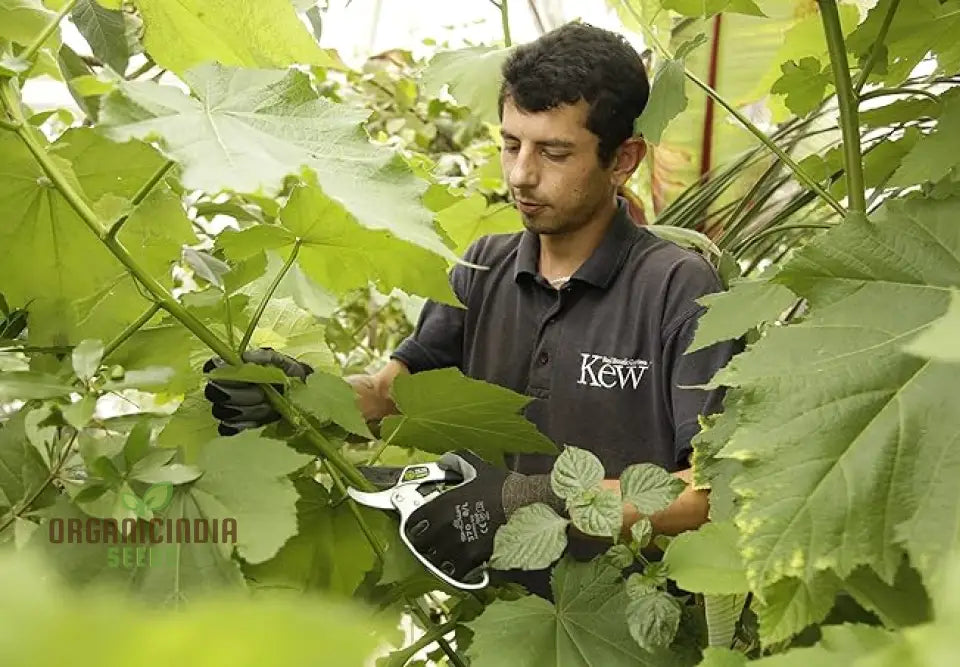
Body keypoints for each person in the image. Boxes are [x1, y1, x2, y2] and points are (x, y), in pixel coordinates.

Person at [203, 21, 742, 600]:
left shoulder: (680, 288)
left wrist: (537, 500)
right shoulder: (483, 265)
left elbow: (708, 493)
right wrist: (301, 393)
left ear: (624, 159)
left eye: (554, 152)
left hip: (625, 622)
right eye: (511, 144)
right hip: (493, 621)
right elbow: (392, 394)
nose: (520, 175)